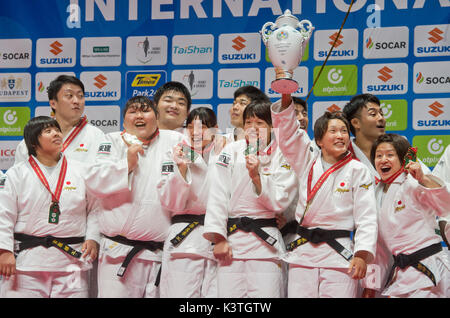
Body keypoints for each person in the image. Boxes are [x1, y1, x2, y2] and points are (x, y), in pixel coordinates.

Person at [0, 116, 139, 298]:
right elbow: (4, 214)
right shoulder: (16, 174)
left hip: (71, 261)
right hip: (27, 262)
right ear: (33, 142)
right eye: (48, 131)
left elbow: (95, 208)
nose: (56, 134)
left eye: (57, 130)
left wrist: (92, 238)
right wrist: (4, 251)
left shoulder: (81, 170)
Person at [271, 94, 378, 298]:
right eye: (334, 131)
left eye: (344, 131)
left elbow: (367, 217)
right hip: (303, 253)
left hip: (338, 254)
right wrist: (286, 96)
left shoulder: (358, 169)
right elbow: (287, 136)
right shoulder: (306, 160)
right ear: (319, 140)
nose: (340, 136)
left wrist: (362, 254)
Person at [93, 96, 187, 298]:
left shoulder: (175, 140)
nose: (139, 116)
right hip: (117, 253)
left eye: (145, 111)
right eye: (133, 111)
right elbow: (95, 183)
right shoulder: (111, 140)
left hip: (159, 255)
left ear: (157, 116)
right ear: (124, 120)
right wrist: (127, 164)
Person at [203, 100, 298, 298]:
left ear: (272, 127)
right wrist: (219, 239)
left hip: (266, 243)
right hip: (233, 243)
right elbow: (217, 195)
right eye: (248, 123)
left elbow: (281, 200)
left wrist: (257, 177)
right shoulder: (231, 151)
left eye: (260, 123)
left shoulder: (283, 155)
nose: (253, 128)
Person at [368, 134, 449, 298]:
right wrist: (370, 286)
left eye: (390, 155)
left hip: (429, 268)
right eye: (379, 155)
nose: (384, 160)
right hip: (402, 272)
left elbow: (446, 204)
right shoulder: (374, 194)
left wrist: (423, 179)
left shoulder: (413, 182)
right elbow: (377, 249)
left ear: (403, 159)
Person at [158, 107, 225, 298]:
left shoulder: (227, 153)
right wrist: (181, 169)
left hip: (218, 234)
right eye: (190, 127)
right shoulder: (174, 154)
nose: (196, 132)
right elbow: (169, 201)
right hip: (184, 237)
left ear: (215, 129)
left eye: (202, 127)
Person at [14, 75, 106, 164]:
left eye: (80, 96)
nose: (76, 101)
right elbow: (19, 176)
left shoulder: (97, 136)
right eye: (69, 96)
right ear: (53, 103)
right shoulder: (33, 138)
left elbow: (105, 174)